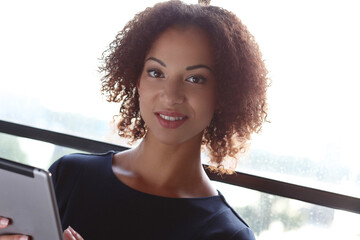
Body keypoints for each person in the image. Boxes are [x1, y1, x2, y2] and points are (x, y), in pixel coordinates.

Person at [0, 0, 268, 239]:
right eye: (156, 72)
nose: (171, 95)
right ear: (137, 80)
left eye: (195, 79)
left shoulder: (228, 235)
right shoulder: (69, 176)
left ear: (222, 94)